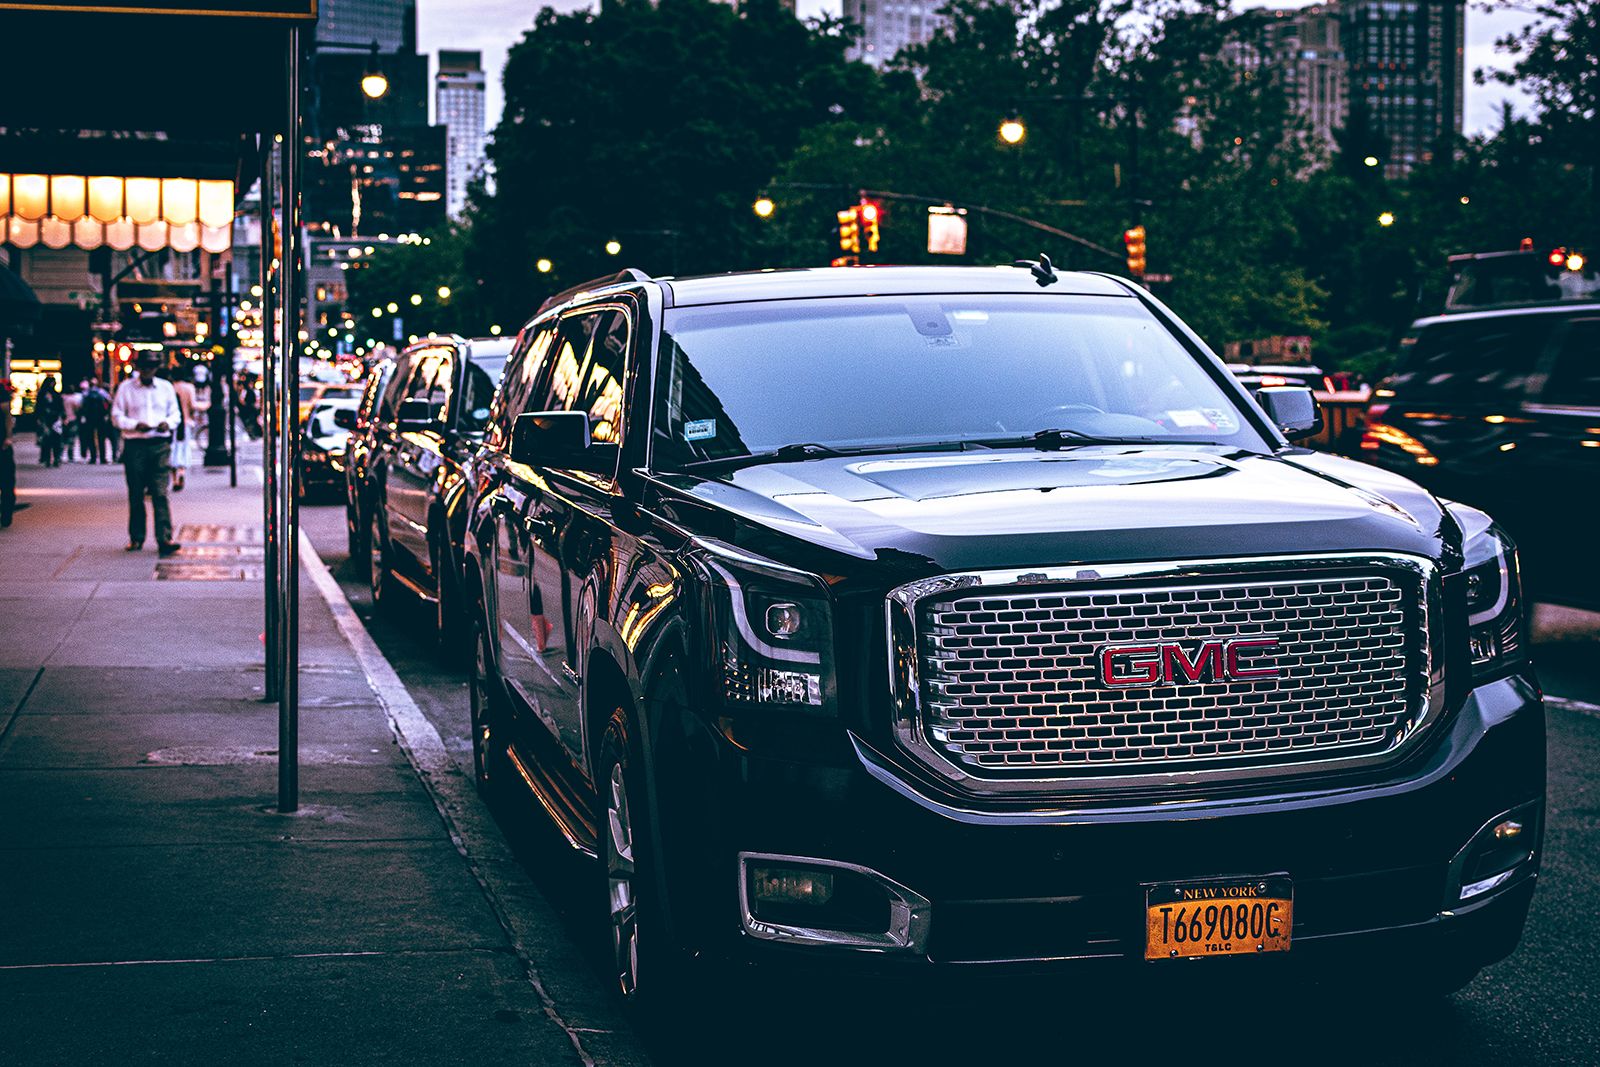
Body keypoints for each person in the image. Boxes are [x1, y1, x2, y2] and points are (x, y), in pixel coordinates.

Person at [111, 352, 183, 555]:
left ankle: (164, 537)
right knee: (136, 493)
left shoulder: (165, 388)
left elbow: (175, 414)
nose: (148, 370)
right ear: (138, 367)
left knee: (160, 492)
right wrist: (135, 425)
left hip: (159, 444)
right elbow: (116, 416)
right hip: (136, 445)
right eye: (145, 366)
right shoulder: (126, 388)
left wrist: (167, 424)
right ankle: (136, 537)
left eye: (152, 366)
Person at [169, 367, 197, 491]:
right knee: (184, 448)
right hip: (185, 422)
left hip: (171, 425)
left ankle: (174, 478)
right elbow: (193, 405)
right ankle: (181, 472)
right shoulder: (189, 388)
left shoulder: (170, 388)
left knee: (172, 449)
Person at [78, 378, 112, 463]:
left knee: (90, 438)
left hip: (89, 418)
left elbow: (81, 405)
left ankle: (93, 457)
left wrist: (83, 415)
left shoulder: (86, 394)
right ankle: (102, 458)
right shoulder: (102, 392)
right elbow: (109, 401)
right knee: (101, 438)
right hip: (101, 417)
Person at [34, 377, 64, 467]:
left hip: (54, 420)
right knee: (47, 440)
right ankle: (47, 458)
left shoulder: (55, 394)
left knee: (55, 440)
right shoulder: (43, 394)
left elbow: (60, 407)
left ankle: (55, 458)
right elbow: (38, 408)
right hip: (46, 419)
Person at [61, 382, 81, 462]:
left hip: (64, 420)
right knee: (71, 439)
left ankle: (60, 455)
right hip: (72, 419)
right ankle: (70, 456)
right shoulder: (74, 399)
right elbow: (77, 409)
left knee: (63, 439)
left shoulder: (62, 398)